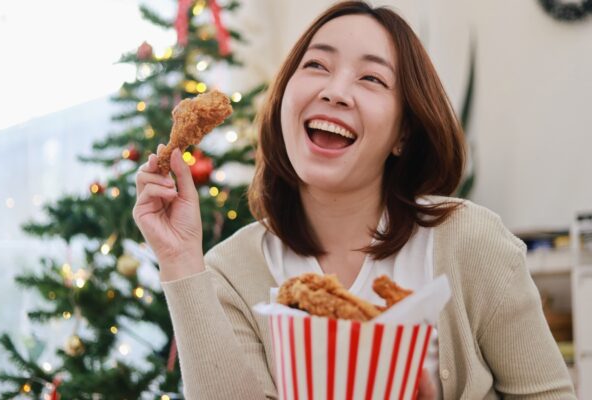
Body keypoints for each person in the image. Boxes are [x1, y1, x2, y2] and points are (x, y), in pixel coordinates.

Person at [133, 1, 575, 399]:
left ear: (403, 133)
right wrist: (179, 259)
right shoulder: (231, 271)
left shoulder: (470, 240)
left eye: (372, 77)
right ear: (285, 98)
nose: (335, 91)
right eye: (317, 66)